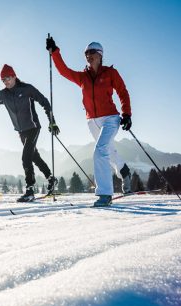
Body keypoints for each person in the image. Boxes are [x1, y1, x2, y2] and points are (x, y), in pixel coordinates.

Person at [46, 37, 133, 207]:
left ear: (100, 55)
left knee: (100, 151)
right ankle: (124, 171)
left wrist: (127, 114)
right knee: (108, 151)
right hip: (91, 121)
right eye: (86, 53)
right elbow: (64, 71)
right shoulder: (82, 77)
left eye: (91, 52)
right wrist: (55, 52)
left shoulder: (110, 73)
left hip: (110, 119)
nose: (88, 55)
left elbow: (123, 92)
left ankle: (105, 194)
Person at [0, 64, 60, 202]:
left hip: (33, 127)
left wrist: (52, 121)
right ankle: (51, 179)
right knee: (33, 156)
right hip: (21, 131)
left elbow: (45, 102)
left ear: (14, 76)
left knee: (26, 157)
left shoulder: (27, 89)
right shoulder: (4, 95)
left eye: (8, 78)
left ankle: (30, 190)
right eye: (3, 80)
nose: (6, 82)